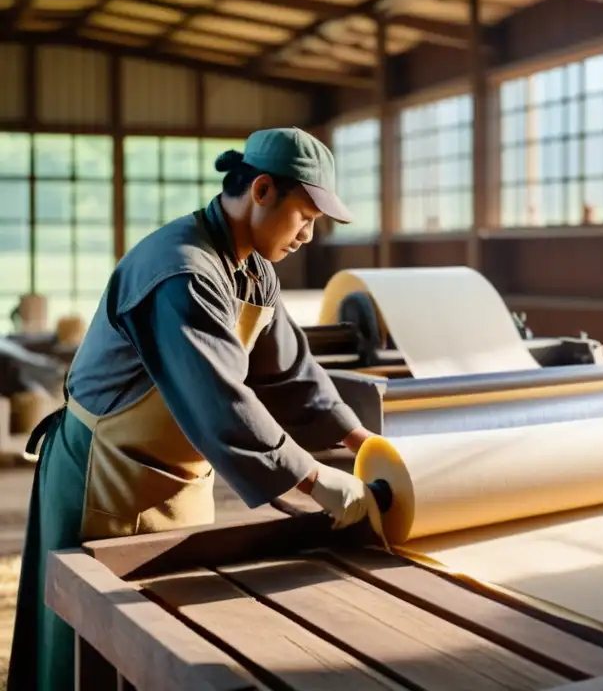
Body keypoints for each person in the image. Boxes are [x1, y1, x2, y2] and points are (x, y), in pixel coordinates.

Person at [8, 127, 378, 691]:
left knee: (166, 642)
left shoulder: (255, 270)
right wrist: (314, 479)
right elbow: (219, 403)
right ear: (260, 191)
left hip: (178, 478)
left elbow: (292, 374)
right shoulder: (182, 271)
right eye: (305, 215)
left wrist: (364, 445)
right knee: (90, 648)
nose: (308, 234)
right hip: (105, 480)